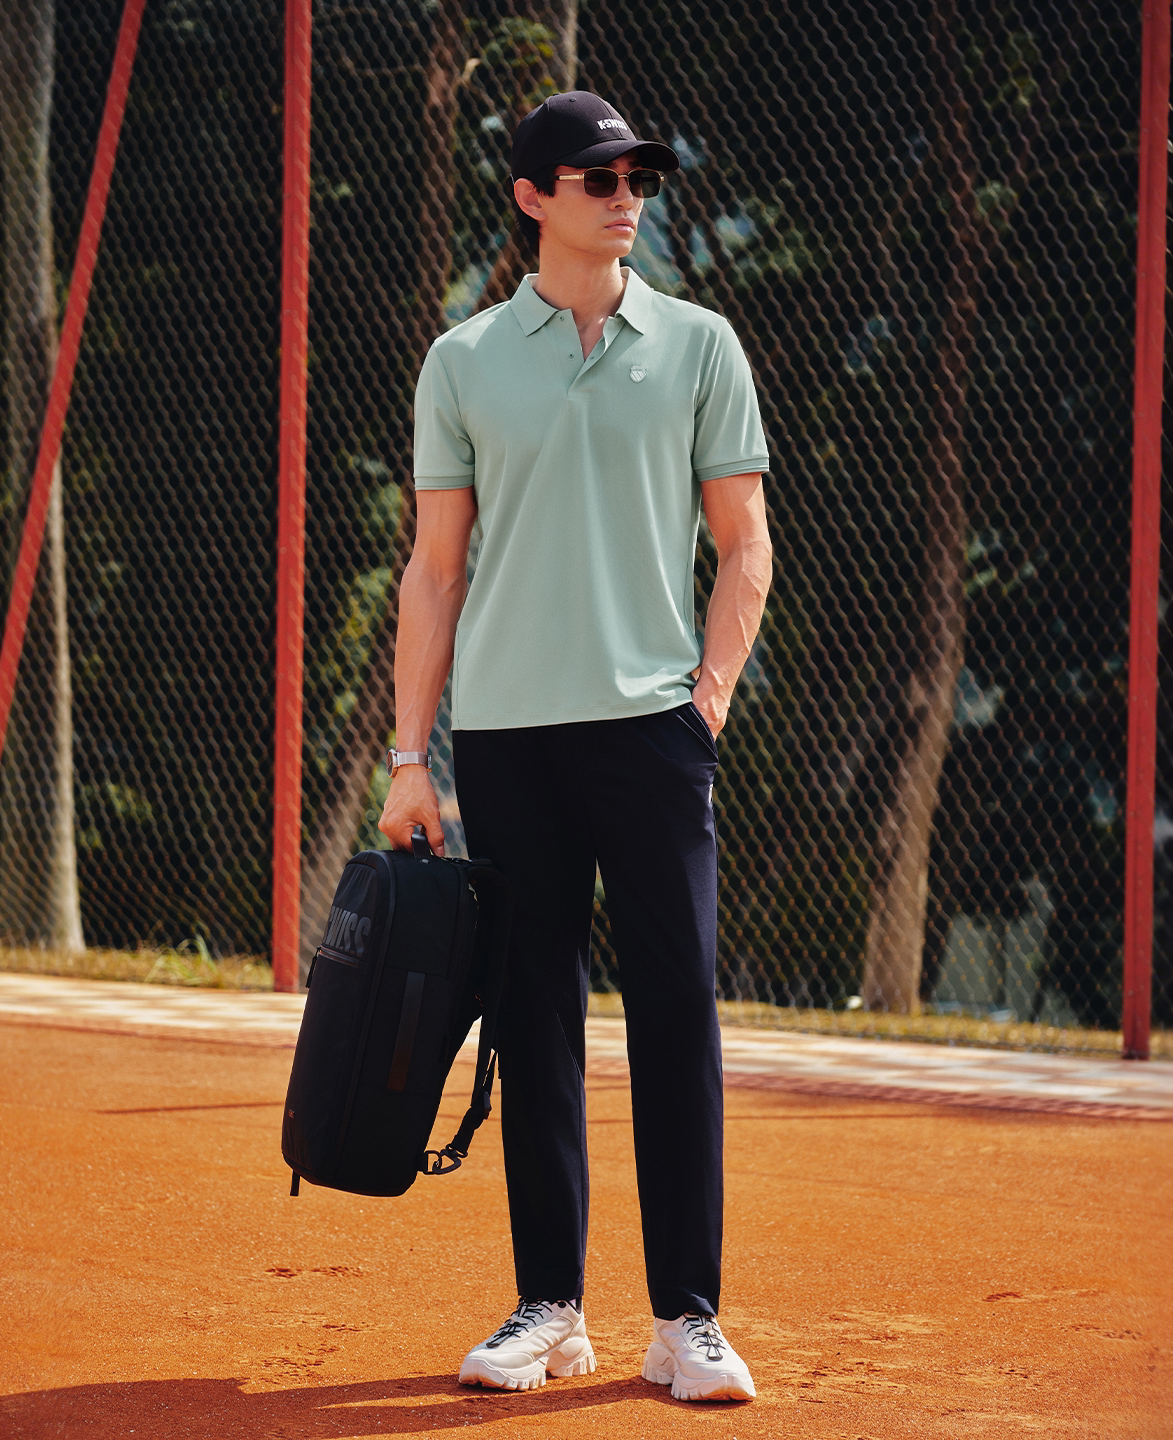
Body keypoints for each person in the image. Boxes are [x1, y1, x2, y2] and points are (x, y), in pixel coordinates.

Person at [378, 90, 773, 1404]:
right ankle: (550, 1308)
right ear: (533, 196)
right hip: (507, 737)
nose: (625, 196)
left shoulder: (702, 346)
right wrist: (410, 758)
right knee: (534, 1016)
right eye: (598, 176)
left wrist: (706, 702)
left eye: (638, 176)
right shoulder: (464, 361)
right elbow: (434, 572)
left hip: (655, 734)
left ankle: (687, 1320)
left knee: (677, 1014)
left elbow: (745, 544)